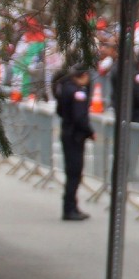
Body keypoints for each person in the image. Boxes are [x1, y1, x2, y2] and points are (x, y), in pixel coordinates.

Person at [53, 63, 95, 221]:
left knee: (71, 172)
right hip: (75, 136)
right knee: (74, 173)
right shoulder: (78, 93)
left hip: (66, 132)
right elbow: (80, 117)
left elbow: (59, 111)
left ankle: (72, 206)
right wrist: (90, 131)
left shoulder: (64, 88)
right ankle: (69, 208)